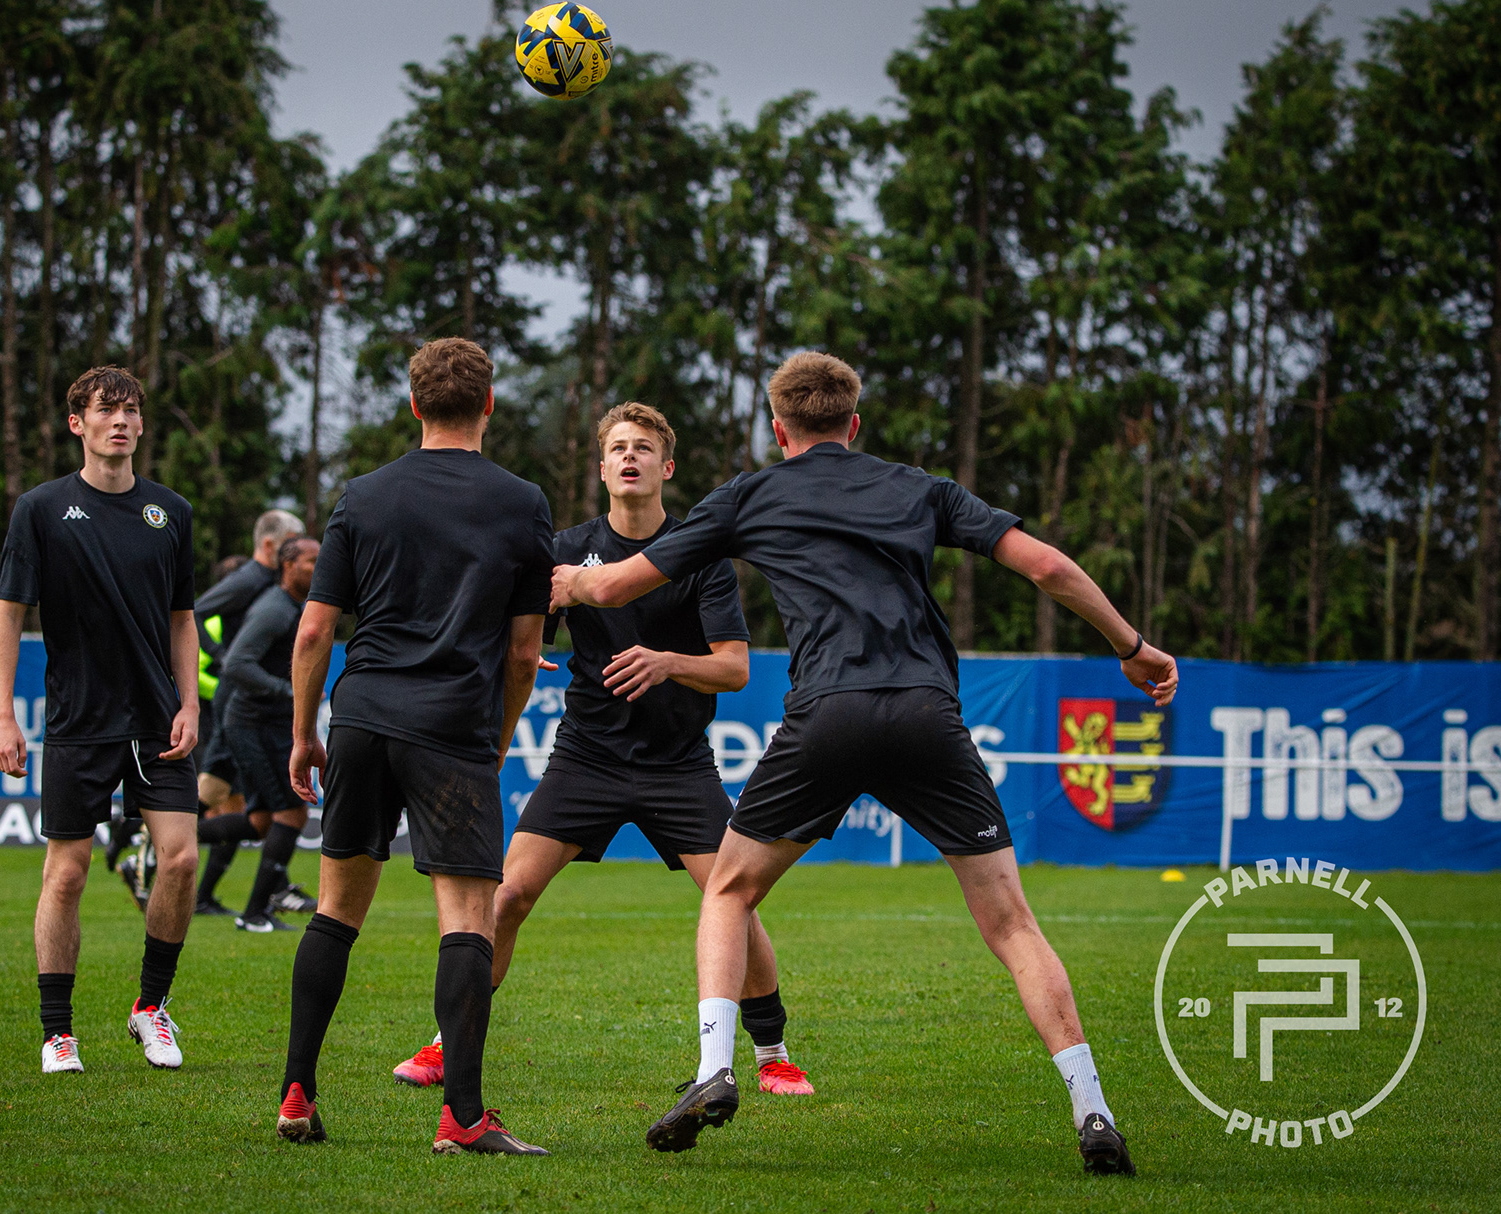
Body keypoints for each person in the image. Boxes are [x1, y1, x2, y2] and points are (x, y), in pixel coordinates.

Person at [552, 352, 1178, 1172]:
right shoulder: (920, 488)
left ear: (779, 430)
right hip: (926, 714)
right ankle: (1093, 1110)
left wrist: (565, 582)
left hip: (828, 716)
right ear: (853, 424)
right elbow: (1050, 567)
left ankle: (714, 1070)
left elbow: (613, 588)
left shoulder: (750, 494)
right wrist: (1131, 647)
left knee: (730, 891)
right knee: (1012, 924)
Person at [389, 402, 814, 1099]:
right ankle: (446, 1043)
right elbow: (515, 631)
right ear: (602, 468)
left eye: (643, 447)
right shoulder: (565, 549)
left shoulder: (699, 555)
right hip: (585, 758)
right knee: (509, 894)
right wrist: (517, 652)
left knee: (732, 899)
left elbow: (735, 668)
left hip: (678, 764)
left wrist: (668, 663)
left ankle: (773, 1054)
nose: (629, 456)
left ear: (666, 467)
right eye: (618, 447)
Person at [279, 338, 554, 1156]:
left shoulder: (362, 495)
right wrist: (498, 737)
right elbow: (523, 652)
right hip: (452, 725)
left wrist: (304, 732)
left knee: (335, 909)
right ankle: (463, 1118)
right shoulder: (522, 502)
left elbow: (314, 632)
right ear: (489, 405)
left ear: (413, 405)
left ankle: (297, 1093)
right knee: (467, 918)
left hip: (362, 718)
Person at [0, 365, 204, 1076]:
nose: (122, 421)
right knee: (67, 875)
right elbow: (8, 616)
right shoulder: (41, 509)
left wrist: (190, 703)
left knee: (180, 859)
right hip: (78, 720)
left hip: (156, 721)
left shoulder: (171, 511)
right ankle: (58, 1033)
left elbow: (182, 620)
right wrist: (2, 714)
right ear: (77, 423)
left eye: (132, 410)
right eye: (107, 410)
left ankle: (151, 1007)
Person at [185, 510, 310, 916]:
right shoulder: (257, 585)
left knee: (251, 813)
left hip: (252, 707)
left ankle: (169, 850)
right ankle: (259, 906)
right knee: (277, 810)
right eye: (301, 552)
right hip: (244, 708)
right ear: (275, 549)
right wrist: (223, 658)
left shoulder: (281, 594)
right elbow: (196, 614)